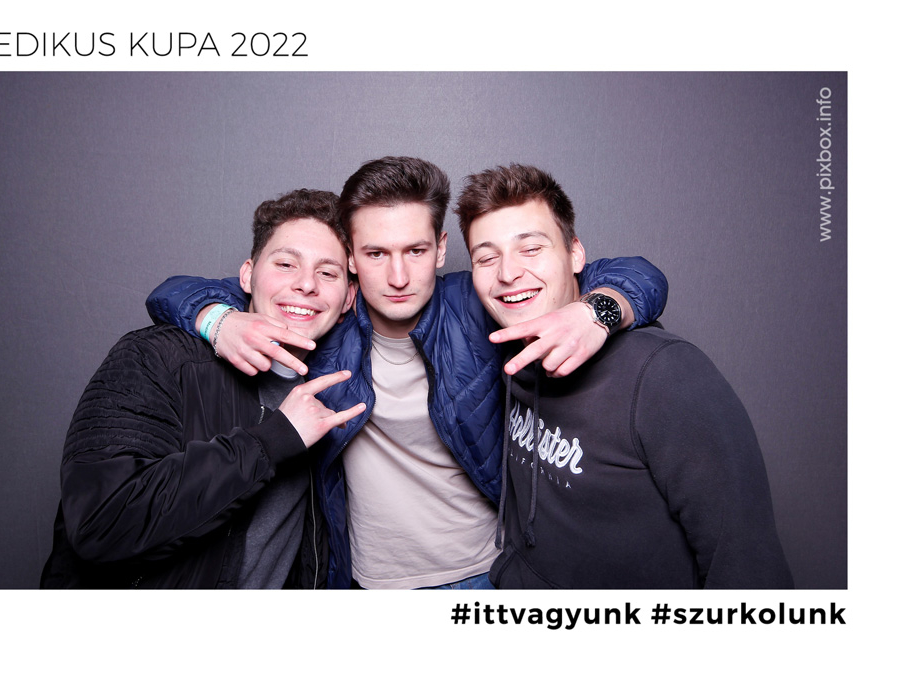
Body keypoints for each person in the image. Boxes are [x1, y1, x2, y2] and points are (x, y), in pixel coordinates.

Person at [146, 157, 669, 589]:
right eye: (376, 253)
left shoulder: (477, 303)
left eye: (416, 251)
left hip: (484, 575)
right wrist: (218, 321)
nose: (397, 277)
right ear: (351, 259)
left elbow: (635, 274)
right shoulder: (325, 314)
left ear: (441, 249)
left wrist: (595, 313)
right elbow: (176, 292)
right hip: (362, 584)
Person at [456, 163, 793, 588]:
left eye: (532, 248)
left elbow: (747, 568)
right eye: (487, 258)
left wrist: (597, 311)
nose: (507, 273)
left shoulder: (663, 374)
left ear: (575, 254)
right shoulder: (508, 355)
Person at [40, 189, 365, 588]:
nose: (306, 285)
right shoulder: (158, 357)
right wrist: (274, 440)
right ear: (247, 275)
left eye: (328, 273)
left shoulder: (335, 387)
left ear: (348, 297)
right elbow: (100, 523)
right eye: (285, 264)